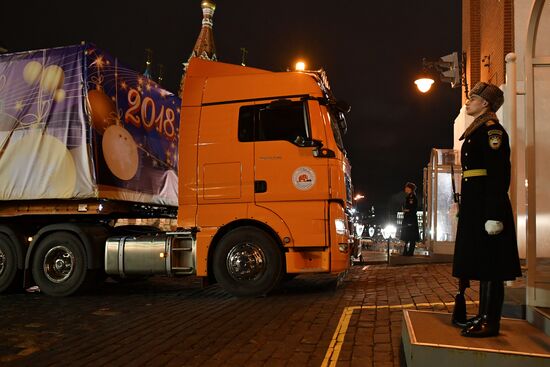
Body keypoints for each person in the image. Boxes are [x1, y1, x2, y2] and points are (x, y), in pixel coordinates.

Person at [452, 81, 522, 338]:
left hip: (488, 206)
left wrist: (493, 215)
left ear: (486, 103)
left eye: (472, 98)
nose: (468, 102)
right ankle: (483, 315)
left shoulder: (492, 131)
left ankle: (491, 322)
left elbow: (498, 174)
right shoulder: (477, 130)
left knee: (493, 265)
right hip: (477, 204)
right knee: (483, 262)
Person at [400, 182, 420, 256]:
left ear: (410, 189)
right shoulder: (409, 196)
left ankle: (409, 252)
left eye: (406, 187)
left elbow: (412, 209)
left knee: (409, 235)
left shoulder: (411, 197)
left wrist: (405, 210)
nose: (405, 189)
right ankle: (407, 251)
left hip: (410, 219)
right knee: (409, 235)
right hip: (409, 218)